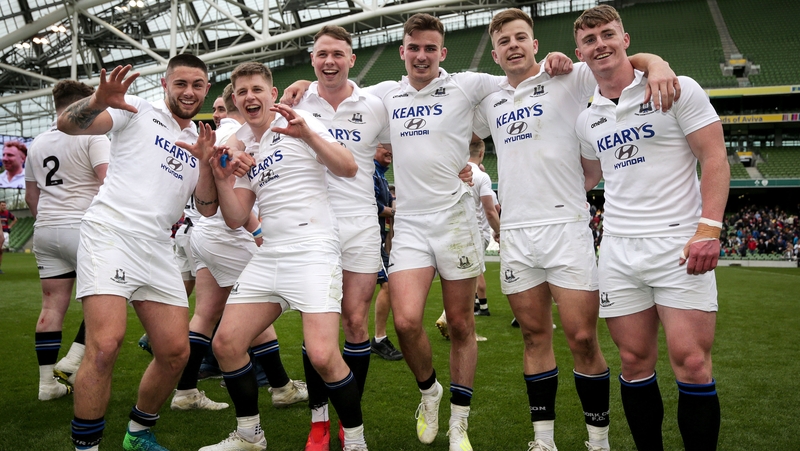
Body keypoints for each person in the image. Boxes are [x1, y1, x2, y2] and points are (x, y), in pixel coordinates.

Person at [473, 8, 680, 451]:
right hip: (516, 233)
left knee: (583, 338)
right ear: (495, 53)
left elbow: (621, 60)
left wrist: (658, 64)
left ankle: (597, 440)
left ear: (534, 43)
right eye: (504, 41)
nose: (513, 45)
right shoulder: (488, 100)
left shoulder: (569, 75)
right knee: (533, 336)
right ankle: (543, 440)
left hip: (566, 226)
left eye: (520, 37)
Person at [574, 5, 729, 450]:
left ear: (625, 40)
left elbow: (715, 158)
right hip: (619, 251)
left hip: (677, 243)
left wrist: (708, 229)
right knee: (633, 361)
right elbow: (588, 177)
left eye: (607, 34)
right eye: (589, 39)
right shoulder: (588, 118)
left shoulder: (676, 88)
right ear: (579, 51)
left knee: (692, 362)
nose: (599, 43)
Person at [197, 62, 367, 451]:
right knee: (225, 344)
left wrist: (307, 134)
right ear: (236, 100)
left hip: (313, 248)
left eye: (257, 89)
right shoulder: (244, 146)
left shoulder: (300, 121)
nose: (250, 97)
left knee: (324, 355)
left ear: (272, 94)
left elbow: (348, 166)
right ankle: (249, 435)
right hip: (270, 251)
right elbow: (237, 217)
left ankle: (355, 441)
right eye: (242, 92)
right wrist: (223, 180)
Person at [57, 55, 218, 451]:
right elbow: (67, 124)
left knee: (175, 351)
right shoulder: (137, 110)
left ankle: (138, 433)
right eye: (181, 83)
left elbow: (209, 207)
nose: (189, 92)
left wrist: (207, 164)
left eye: (197, 85)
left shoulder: (202, 137)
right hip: (111, 233)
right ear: (165, 84)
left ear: (207, 89)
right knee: (105, 344)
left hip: (158, 244)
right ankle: (87, 447)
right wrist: (98, 99)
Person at [171, 82, 307, 413]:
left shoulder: (229, 131)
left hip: (202, 234)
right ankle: (280, 387)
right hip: (226, 234)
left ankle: (185, 391)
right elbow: (232, 189)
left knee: (205, 314)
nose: (216, 113)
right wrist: (257, 229)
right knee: (258, 306)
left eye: (218, 108)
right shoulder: (238, 132)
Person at [286, 26, 392, 451]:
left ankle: (350, 421)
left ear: (352, 58)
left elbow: (410, 142)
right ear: (312, 59)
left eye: (338, 54)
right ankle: (319, 423)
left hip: (361, 225)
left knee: (354, 323)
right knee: (319, 328)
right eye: (322, 54)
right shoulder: (295, 101)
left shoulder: (374, 105)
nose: (330, 61)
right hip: (313, 225)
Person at [25, 80, 110, 401]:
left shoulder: (37, 143)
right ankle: (74, 359)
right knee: (112, 295)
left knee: (50, 308)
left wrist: (50, 220)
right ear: (86, 102)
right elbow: (108, 183)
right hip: (84, 228)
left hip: (46, 229)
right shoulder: (93, 134)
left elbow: (31, 195)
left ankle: (47, 385)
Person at [371, 143, 403, 361]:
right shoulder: (371, 171)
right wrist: (396, 212)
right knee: (389, 285)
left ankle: (365, 340)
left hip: (377, 239)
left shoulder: (381, 175)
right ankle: (378, 340)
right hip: (369, 239)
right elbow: (373, 205)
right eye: (384, 146)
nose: (390, 150)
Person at [0, 199, 16, 273]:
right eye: (2, 205)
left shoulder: (7, 213)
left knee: (1, 250)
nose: (4, 206)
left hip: (5, 232)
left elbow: (15, 219)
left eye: (5, 205)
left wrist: (10, 226)